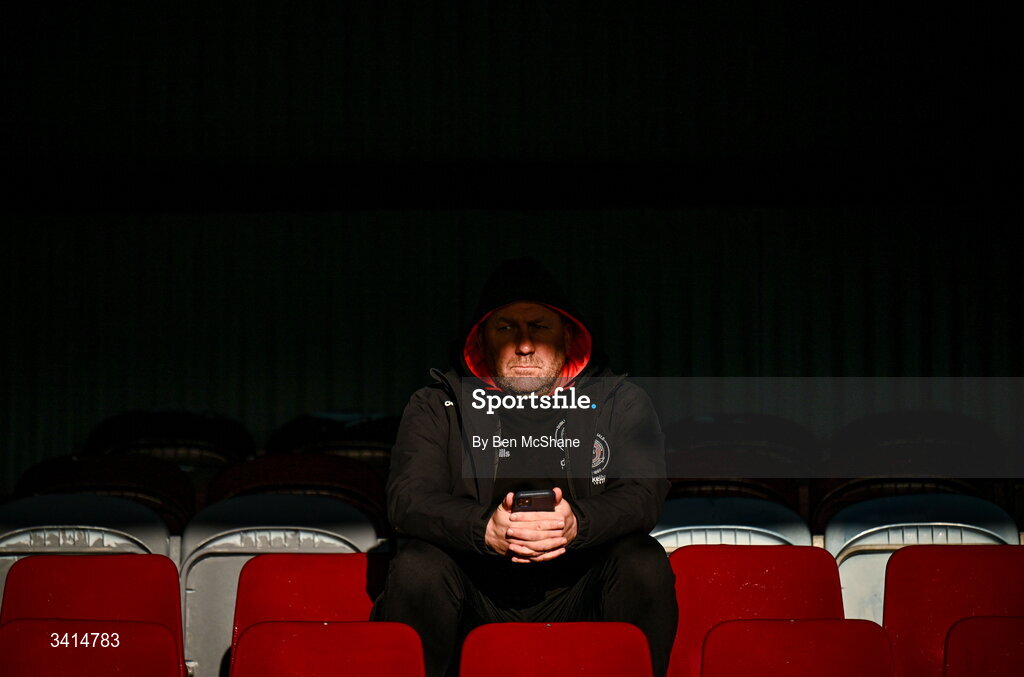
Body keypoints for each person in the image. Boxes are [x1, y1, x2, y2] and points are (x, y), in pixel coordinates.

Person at [372, 258, 677, 677]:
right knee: (416, 565)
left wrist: (577, 525)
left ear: (567, 336)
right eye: (506, 328)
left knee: (643, 560)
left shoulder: (619, 401)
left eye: (539, 326)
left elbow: (644, 493)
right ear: (481, 340)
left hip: (580, 589)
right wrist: (485, 530)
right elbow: (408, 499)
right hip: (474, 590)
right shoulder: (436, 404)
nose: (524, 344)